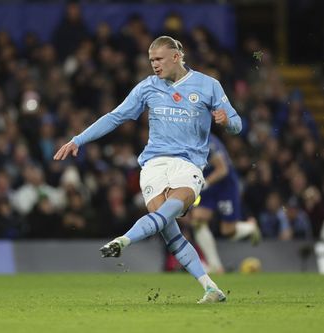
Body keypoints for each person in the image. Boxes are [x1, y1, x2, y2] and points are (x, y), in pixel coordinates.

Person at [55, 36, 242, 304]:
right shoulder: (148, 87)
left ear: (176, 57)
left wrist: (227, 121)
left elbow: (237, 123)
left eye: (159, 59)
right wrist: (78, 140)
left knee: (170, 211)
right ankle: (210, 287)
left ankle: (124, 240)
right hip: (153, 165)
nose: (154, 65)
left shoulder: (208, 85)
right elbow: (115, 116)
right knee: (167, 228)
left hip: (188, 164)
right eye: (151, 60)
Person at [190, 133, 260, 273]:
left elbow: (222, 169)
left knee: (228, 231)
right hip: (207, 182)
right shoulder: (187, 140)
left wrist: (205, 184)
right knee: (197, 220)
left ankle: (250, 227)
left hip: (224, 185)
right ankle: (215, 266)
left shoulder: (208, 142)